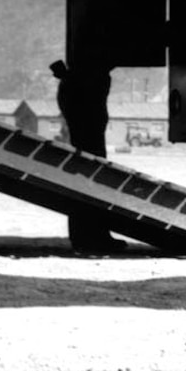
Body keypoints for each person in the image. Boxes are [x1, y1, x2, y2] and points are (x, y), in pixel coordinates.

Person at [50, 56, 120, 254]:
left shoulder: (76, 79)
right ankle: (90, 239)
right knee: (89, 188)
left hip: (89, 141)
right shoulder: (82, 80)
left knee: (89, 188)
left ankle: (94, 237)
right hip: (90, 142)